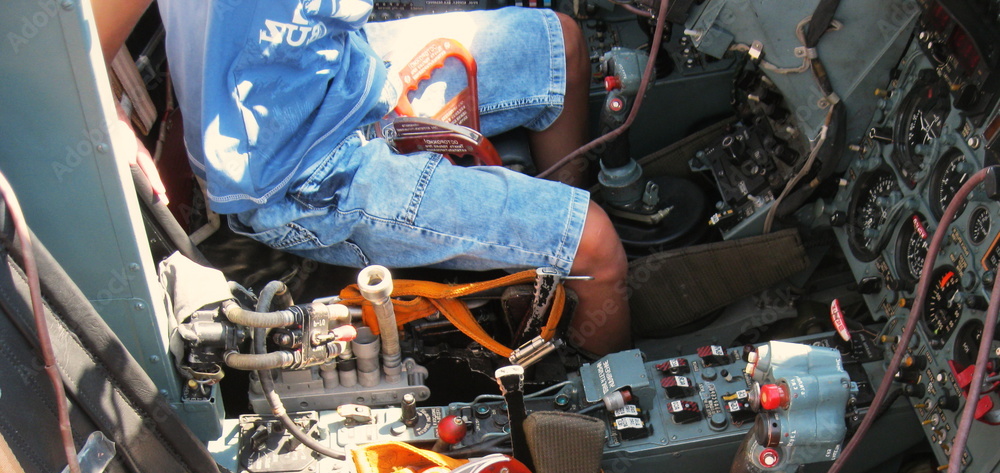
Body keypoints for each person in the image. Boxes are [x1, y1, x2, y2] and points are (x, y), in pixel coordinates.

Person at [93, 0, 630, 355]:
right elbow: (86, 36)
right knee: (599, 248)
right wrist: (106, 117)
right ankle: (601, 393)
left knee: (562, 46)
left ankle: (559, 221)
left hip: (350, 75)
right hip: (304, 177)